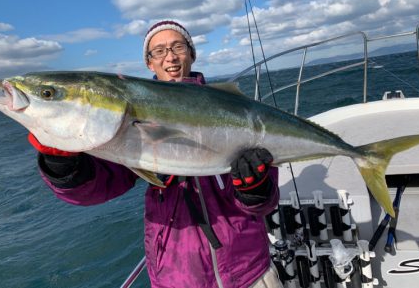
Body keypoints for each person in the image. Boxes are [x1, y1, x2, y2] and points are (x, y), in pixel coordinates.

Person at [29, 20, 283, 288]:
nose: (170, 57)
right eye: (159, 51)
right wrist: (62, 165)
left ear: (192, 54)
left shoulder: (234, 108)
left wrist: (255, 190)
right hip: (176, 278)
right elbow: (96, 188)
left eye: (178, 47)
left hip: (249, 271)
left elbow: (266, 204)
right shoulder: (123, 124)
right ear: (149, 63)